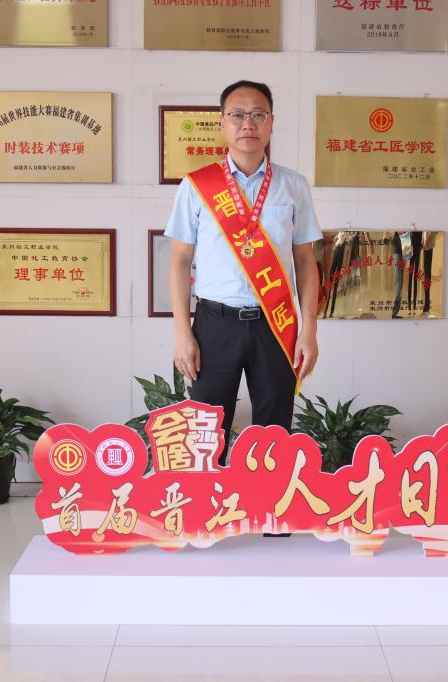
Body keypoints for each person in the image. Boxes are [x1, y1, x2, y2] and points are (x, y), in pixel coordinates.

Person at [166, 80, 321, 463]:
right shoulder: (197, 186)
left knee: (274, 432)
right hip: (214, 324)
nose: (247, 123)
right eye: (237, 114)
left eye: (258, 115)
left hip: (275, 323)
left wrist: (309, 331)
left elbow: (305, 261)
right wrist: (183, 333)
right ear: (222, 122)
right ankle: (208, 504)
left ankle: (272, 500)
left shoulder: (293, 186)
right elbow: (180, 262)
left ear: (271, 123)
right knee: (206, 433)